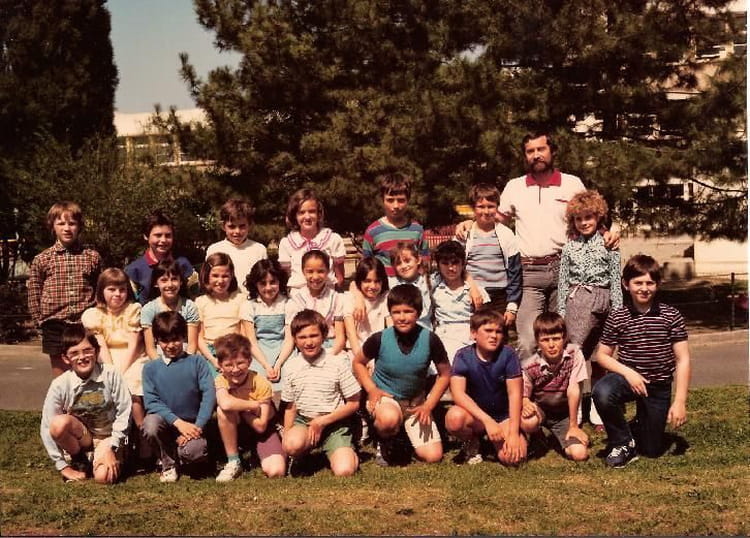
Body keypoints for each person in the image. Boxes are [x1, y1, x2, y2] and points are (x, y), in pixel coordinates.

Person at [456, 132, 618, 360]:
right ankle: (526, 385)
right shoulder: (515, 187)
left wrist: (611, 230)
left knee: (563, 339)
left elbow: (590, 214)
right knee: (527, 340)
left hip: (565, 270)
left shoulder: (572, 183)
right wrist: (469, 222)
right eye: (530, 151)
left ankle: (562, 384)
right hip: (529, 272)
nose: (536, 155)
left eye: (541, 149)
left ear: (552, 151)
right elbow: (493, 218)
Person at [593, 254, 691, 468]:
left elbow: (683, 360)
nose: (644, 288)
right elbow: (602, 355)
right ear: (626, 284)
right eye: (638, 283)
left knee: (651, 450)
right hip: (628, 381)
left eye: (650, 283)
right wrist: (628, 373)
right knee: (602, 392)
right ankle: (623, 442)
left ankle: (639, 424)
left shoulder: (671, 316)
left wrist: (680, 401)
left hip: (658, 385)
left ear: (658, 284)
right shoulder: (618, 316)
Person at [352, 284, 451, 466]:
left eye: (408, 312)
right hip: (386, 401)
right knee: (389, 419)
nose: (402, 317)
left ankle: (404, 436)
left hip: (415, 404)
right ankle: (385, 440)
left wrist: (428, 405)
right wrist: (372, 389)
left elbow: (445, 374)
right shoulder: (379, 338)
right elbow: (358, 363)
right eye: (396, 312)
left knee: (433, 456)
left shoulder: (430, 339)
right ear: (390, 313)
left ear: (418, 312)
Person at [558, 190, 623, 428]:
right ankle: (575, 410)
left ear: (598, 217)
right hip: (579, 302)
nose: (584, 223)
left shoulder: (610, 245)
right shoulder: (569, 248)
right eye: (579, 219)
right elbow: (563, 282)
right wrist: (561, 312)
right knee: (576, 358)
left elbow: (615, 280)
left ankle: (598, 409)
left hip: (604, 300)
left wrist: (618, 312)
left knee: (600, 358)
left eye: (588, 217)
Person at [40, 323, 131, 483]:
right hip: (82, 436)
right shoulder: (60, 384)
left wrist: (113, 446)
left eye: (87, 350)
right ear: (65, 358)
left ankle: (101, 458)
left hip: (107, 436)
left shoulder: (111, 374)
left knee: (104, 477)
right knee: (58, 424)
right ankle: (79, 458)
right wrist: (62, 466)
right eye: (74, 353)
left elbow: (125, 413)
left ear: (97, 351)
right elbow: (47, 426)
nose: (82, 357)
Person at [281, 309, 361, 477]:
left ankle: (343, 450)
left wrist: (323, 421)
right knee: (292, 444)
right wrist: (287, 437)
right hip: (305, 422)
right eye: (302, 337)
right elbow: (290, 406)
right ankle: (300, 456)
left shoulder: (337, 363)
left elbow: (354, 403)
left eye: (314, 336)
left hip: (334, 423)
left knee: (344, 470)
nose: (308, 342)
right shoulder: (291, 366)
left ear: (324, 336)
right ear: (294, 339)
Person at [27, 201, 102, 377]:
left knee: (88, 375)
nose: (67, 228)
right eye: (61, 223)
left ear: (79, 226)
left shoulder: (91, 257)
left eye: (72, 223)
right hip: (55, 325)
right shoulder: (42, 259)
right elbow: (34, 293)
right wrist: (40, 322)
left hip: (84, 324)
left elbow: (99, 290)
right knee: (62, 380)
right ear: (52, 226)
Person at [445, 307, 526, 466]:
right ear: (473, 333)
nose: (494, 336)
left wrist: (513, 433)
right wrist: (487, 421)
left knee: (514, 459)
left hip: (503, 417)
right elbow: (458, 394)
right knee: (454, 418)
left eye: (498, 331)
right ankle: (472, 441)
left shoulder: (508, 354)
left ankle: (511, 437)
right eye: (488, 330)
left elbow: (515, 394)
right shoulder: (463, 355)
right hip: (477, 417)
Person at [142, 311, 217, 483]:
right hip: (167, 424)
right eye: (165, 340)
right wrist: (178, 423)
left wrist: (196, 427)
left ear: (184, 337)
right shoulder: (150, 368)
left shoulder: (197, 362)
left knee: (195, 452)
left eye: (175, 339)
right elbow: (152, 402)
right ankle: (168, 464)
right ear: (157, 340)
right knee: (150, 424)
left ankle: (182, 454)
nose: (170, 345)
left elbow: (208, 395)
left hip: (193, 425)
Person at [81, 268, 149, 429]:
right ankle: (109, 431)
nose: (117, 294)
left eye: (122, 290)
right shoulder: (94, 314)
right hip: (106, 358)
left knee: (132, 390)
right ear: (101, 291)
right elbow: (101, 346)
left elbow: (134, 345)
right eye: (111, 289)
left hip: (133, 358)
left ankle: (141, 431)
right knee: (105, 387)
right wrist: (112, 372)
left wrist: (121, 373)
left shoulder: (133, 310)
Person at [213, 333, 286, 482]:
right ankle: (234, 460)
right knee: (223, 411)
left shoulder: (261, 383)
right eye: (228, 365)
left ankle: (261, 451)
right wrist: (253, 405)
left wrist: (240, 409)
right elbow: (225, 403)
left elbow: (261, 426)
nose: (235, 370)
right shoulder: (221, 379)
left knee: (276, 471)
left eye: (240, 363)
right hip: (239, 428)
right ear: (220, 365)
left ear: (249, 361)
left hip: (263, 430)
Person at [520, 312, 589, 462]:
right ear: (537, 341)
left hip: (565, 414)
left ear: (564, 338)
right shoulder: (530, 365)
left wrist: (574, 425)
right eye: (545, 340)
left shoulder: (575, 354)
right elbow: (523, 394)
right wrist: (525, 403)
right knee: (527, 421)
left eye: (556, 339)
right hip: (541, 409)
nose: (551, 345)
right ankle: (537, 435)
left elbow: (574, 390)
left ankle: (565, 431)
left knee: (579, 454)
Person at [455, 183, 522, 325]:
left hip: (499, 297)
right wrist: (470, 288)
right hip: (472, 295)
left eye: (490, 206)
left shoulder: (506, 235)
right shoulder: (465, 234)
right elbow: (454, 266)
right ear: (473, 208)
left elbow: (515, 272)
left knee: (497, 335)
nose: (486, 211)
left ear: (497, 207)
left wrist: (512, 306)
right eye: (481, 207)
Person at [361, 172, 430, 278]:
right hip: (385, 287)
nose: (396, 205)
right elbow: (366, 268)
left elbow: (425, 264)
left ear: (408, 200)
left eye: (401, 200)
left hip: (412, 286)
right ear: (382, 200)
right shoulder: (372, 231)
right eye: (390, 200)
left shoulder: (417, 230)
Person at [240, 259, 295, 389]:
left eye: (273, 282)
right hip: (258, 352)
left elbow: (289, 340)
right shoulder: (249, 305)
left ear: (280, 281)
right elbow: (251, 341)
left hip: (283, 350)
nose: (268, 287)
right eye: (263, 283)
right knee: (256, 380)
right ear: (255, 284)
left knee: (291, 374)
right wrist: (266, 365)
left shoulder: (288, 303)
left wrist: (278, 364)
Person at [431, 240, 489, 363]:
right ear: (438, 265)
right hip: (443, 335)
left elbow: (484, 318)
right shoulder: (434, 286)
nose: (451, 268)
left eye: (455, 262)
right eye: (445, 263)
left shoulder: (475, 290)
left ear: (463, 263)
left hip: (469, 336)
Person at [278, 188, 346, 291]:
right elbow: (286, 277)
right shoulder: (287, 243)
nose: (307, 217)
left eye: (312, 211)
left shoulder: (332, 239)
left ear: (319, 214)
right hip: (298, 295)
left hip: (327, 294)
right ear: (295, 216)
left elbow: (339, 277)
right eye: (301, 212)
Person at [124, 209, 197, 305]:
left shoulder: (183, 264)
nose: (163, 240)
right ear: (146, 236)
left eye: (168, 235)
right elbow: (129, 304)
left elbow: (196, 297)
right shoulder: (134, 270)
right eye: (158, 235)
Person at [284, 250, 346, 357]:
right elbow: (290, 339)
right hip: (303, 349)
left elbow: (340, 337)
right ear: (303, 272)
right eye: (310, 271)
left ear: (328, 271)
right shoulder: (296, 300)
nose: (315, 276)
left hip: (331, 349)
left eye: (321, 271)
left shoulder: (336, 298)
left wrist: (327, 356)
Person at [206, 198, 267, 295]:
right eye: (232, 226)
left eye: (242, 226)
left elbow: (264, 279)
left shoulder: (259, 249)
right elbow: (208, 280)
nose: (237, 231)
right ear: (223, 226)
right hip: (224, 300)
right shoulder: (214, 249)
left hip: (252, 300)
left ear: (250, 225)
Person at [140, 260, 200, 359]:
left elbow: (192, 344)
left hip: (185, 355)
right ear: (156, 283)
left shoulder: (189, 306)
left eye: (174, 279)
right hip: (160, 356)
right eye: (164, 280)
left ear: (181, 282)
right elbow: (150, 348)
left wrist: (186, 364)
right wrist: (162, 366)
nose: (170, 284)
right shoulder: (148, 309)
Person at [196, 252, 245, 371]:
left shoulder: (240, 299)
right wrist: (213, 360)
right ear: (207, 276)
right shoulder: (201, 301)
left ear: (231, 276)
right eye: (215, 276)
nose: (220, 280)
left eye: (225, 276)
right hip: (210, 353)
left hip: (235, 351)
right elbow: (199, 338)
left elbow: (244, 333)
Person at [343, 257, 391, 357]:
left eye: (377, 281)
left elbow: (391, 327)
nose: (372, 286)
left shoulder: (385, 298)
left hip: (379, 350)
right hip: (355, 350)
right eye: (367, 281)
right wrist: (361, 359)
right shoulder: (350, 298)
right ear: (360, 281)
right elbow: (351, 333)